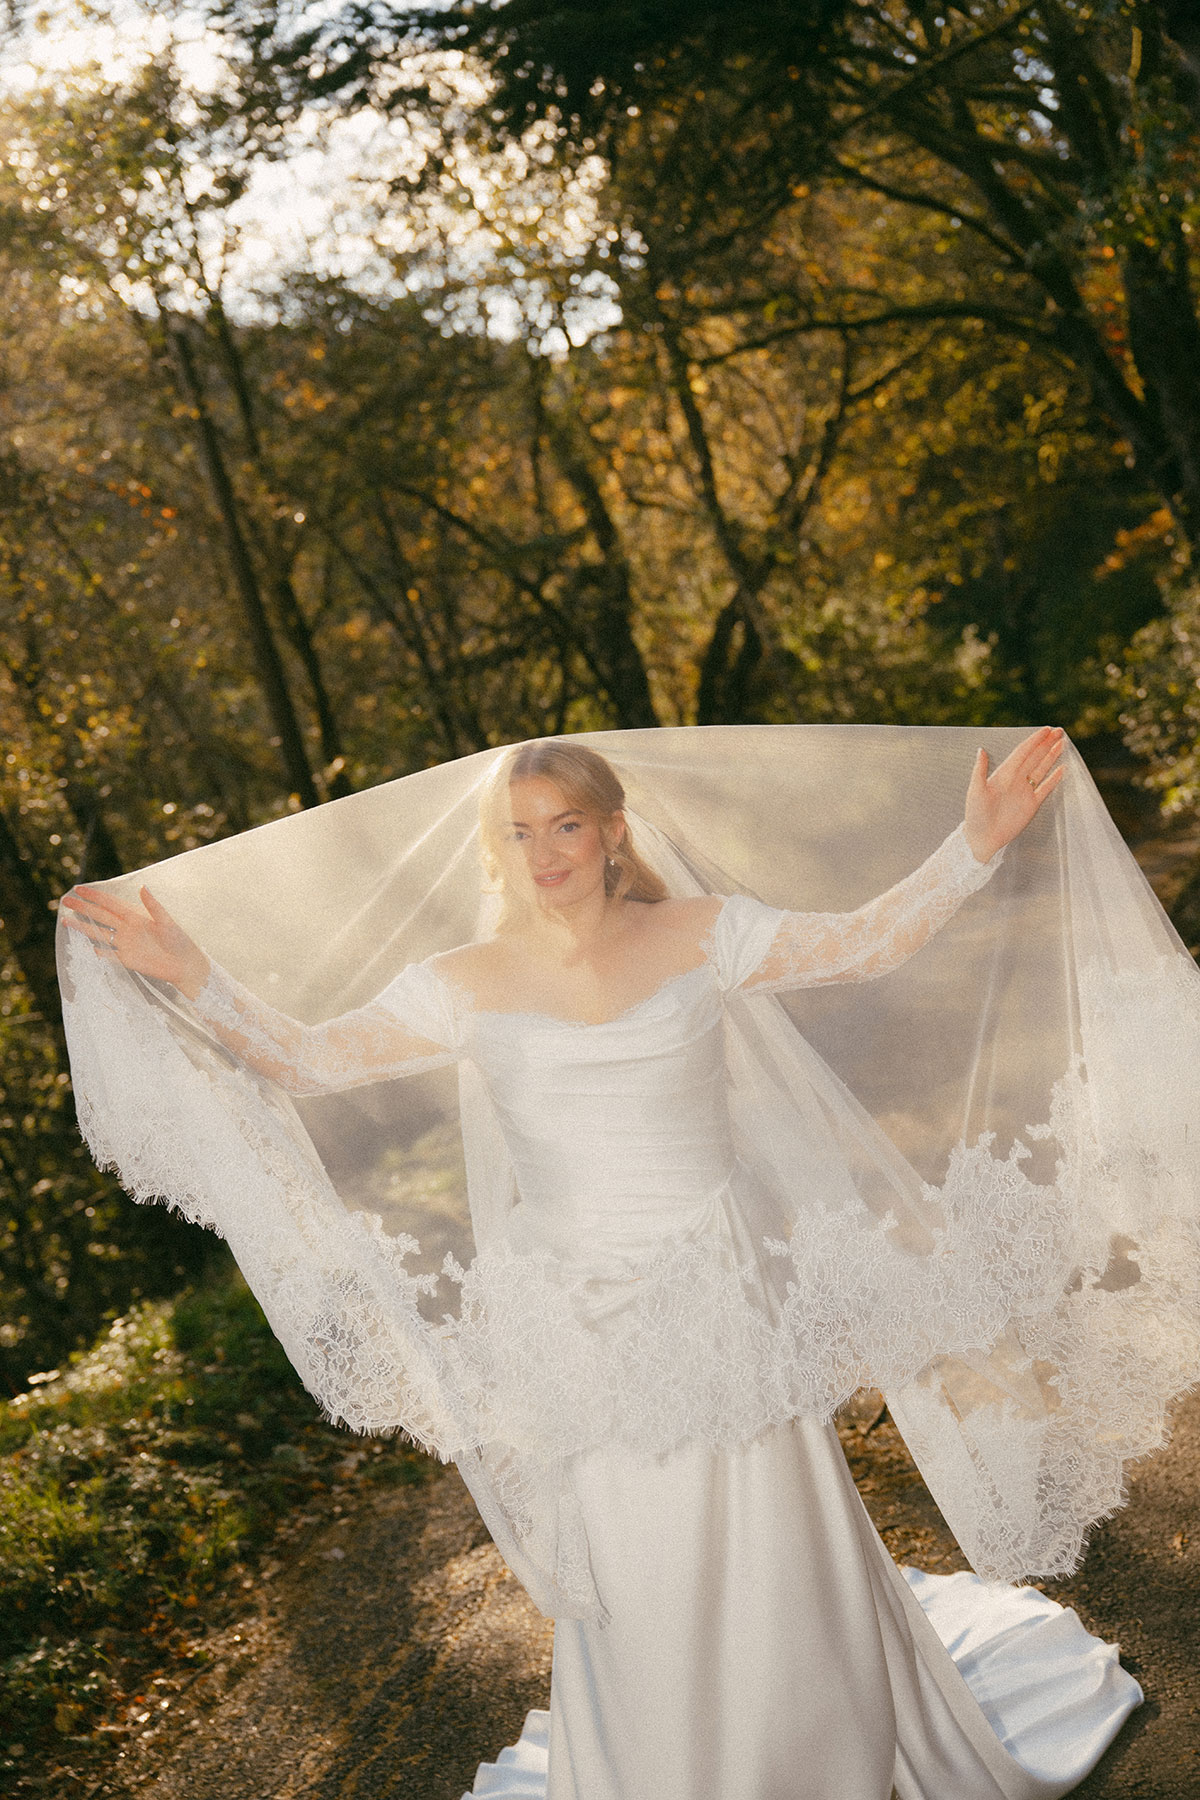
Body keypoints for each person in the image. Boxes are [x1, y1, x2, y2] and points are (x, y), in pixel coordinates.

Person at [59, 725, 1167, 1800]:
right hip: (580, 1314)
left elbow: (869, 941)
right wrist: (188, 972)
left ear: (613, 832)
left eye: (567, 825)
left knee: (773, 1547)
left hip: (720, 1294)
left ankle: (814, 1756)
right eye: (521, 833)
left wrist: (971, 845)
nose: (545, 854)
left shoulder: (703, 931)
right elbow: (304, 1062)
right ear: (497, 850)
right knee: (641, 1569)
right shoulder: (464, 977)